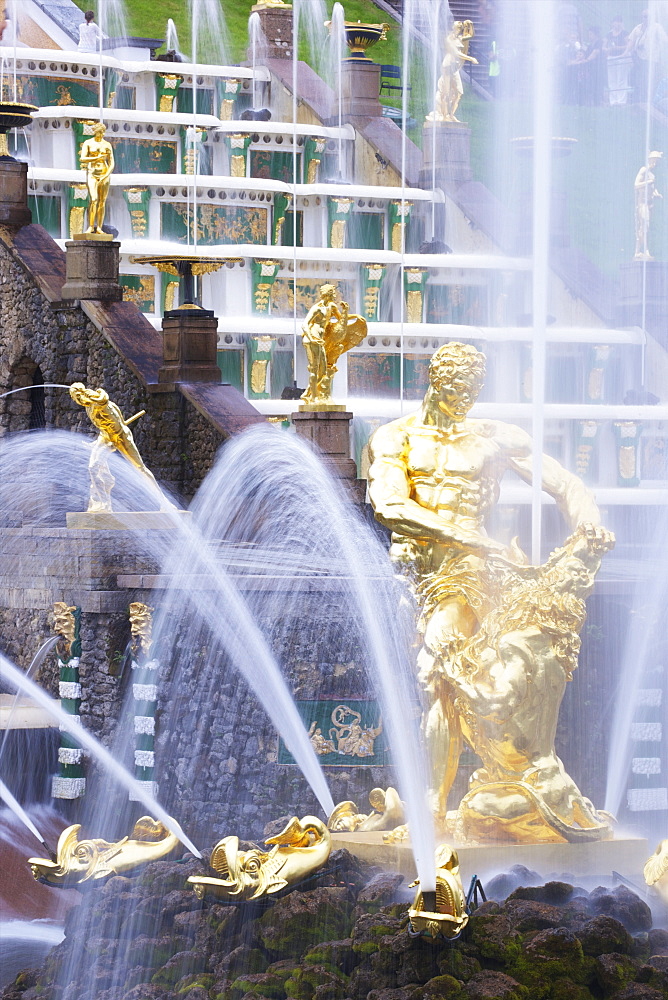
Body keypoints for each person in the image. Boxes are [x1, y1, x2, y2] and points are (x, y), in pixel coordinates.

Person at [367, 342, 608, 822]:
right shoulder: (396, 439)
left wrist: (590, 526)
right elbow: (389, 505)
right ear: (434, 381)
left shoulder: (494, 438)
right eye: (456, 387)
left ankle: (439, 809)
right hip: (419, 569)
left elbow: (567, 486)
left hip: (470, 573)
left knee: (436, 672)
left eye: (472, 389)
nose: (464, 398)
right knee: (449, 681)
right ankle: (451, 801)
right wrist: (468, 534)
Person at [69, 383, 173, 512]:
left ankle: (165, 502)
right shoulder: (88, 407)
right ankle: (103, 504)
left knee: (140, 469)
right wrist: (97, 443)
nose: (74, 400)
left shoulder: (100, 404)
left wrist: (112, 441)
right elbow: (104, 427)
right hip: (106, 436)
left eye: (74, 397)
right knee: (93, 467)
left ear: (78, 396)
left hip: (121, 437)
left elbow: (110, 411)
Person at [427, 20, 478, 123]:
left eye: (461, 28)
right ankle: (445, 115)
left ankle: (451, 114)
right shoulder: (448, 39)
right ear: (453, 28)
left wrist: (470, 24)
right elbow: (456, 53)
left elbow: (471, 35)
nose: (459, 30)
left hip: (455, 68)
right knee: (446, 92)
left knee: (459, 92)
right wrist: (471, 58)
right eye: (458, 28)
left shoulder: (459, 38)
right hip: (447, 66)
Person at [79, 122, 114, 235]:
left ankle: (99, 227)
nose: (101, 134)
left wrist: (106, 175)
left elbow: (112, 162)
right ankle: (90, 226)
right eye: (99, 132)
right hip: (92, 173)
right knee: (93, 199)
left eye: (102, 132)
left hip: (104, 174)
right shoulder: (88, 143)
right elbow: (82, 158)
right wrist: (96, 158)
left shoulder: (107, 145)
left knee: (102, 202)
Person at [634, 150, 663, 259]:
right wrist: (648, 182)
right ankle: (643, 250)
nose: (656, 164)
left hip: (649, 204)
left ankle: (639, 251)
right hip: (642, 203)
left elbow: (652, 188)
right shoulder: (643, 170)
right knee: (644, 226)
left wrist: (656, 194)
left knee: (646, 227)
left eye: (657, 162)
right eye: (655, 161)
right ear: (651, 160)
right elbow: (636, 185)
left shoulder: (651, 173)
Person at [604, 15, 630, 105]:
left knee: (621, 79)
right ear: (612, 23)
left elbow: (629, 45)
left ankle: (621, 101)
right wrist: (607, 50)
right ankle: (613, 101)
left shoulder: (625, 33)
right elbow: (604, 46)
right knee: (612, 80)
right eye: (616, 22)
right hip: (611, 58)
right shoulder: (609, 34)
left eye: (619, 22)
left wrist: (618, 48)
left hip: (621, 58)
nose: (617, 24)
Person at [578, 25, 604, 105]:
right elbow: (585, 53)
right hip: (591, 69)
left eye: (590, 34)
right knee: (591, 86)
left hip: (598, 68)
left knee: (597, 85)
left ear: (595, 34)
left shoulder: (599, 42)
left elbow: (595, 52)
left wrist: (587, 60)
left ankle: (597, 102)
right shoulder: (590, 45)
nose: (589, 36)